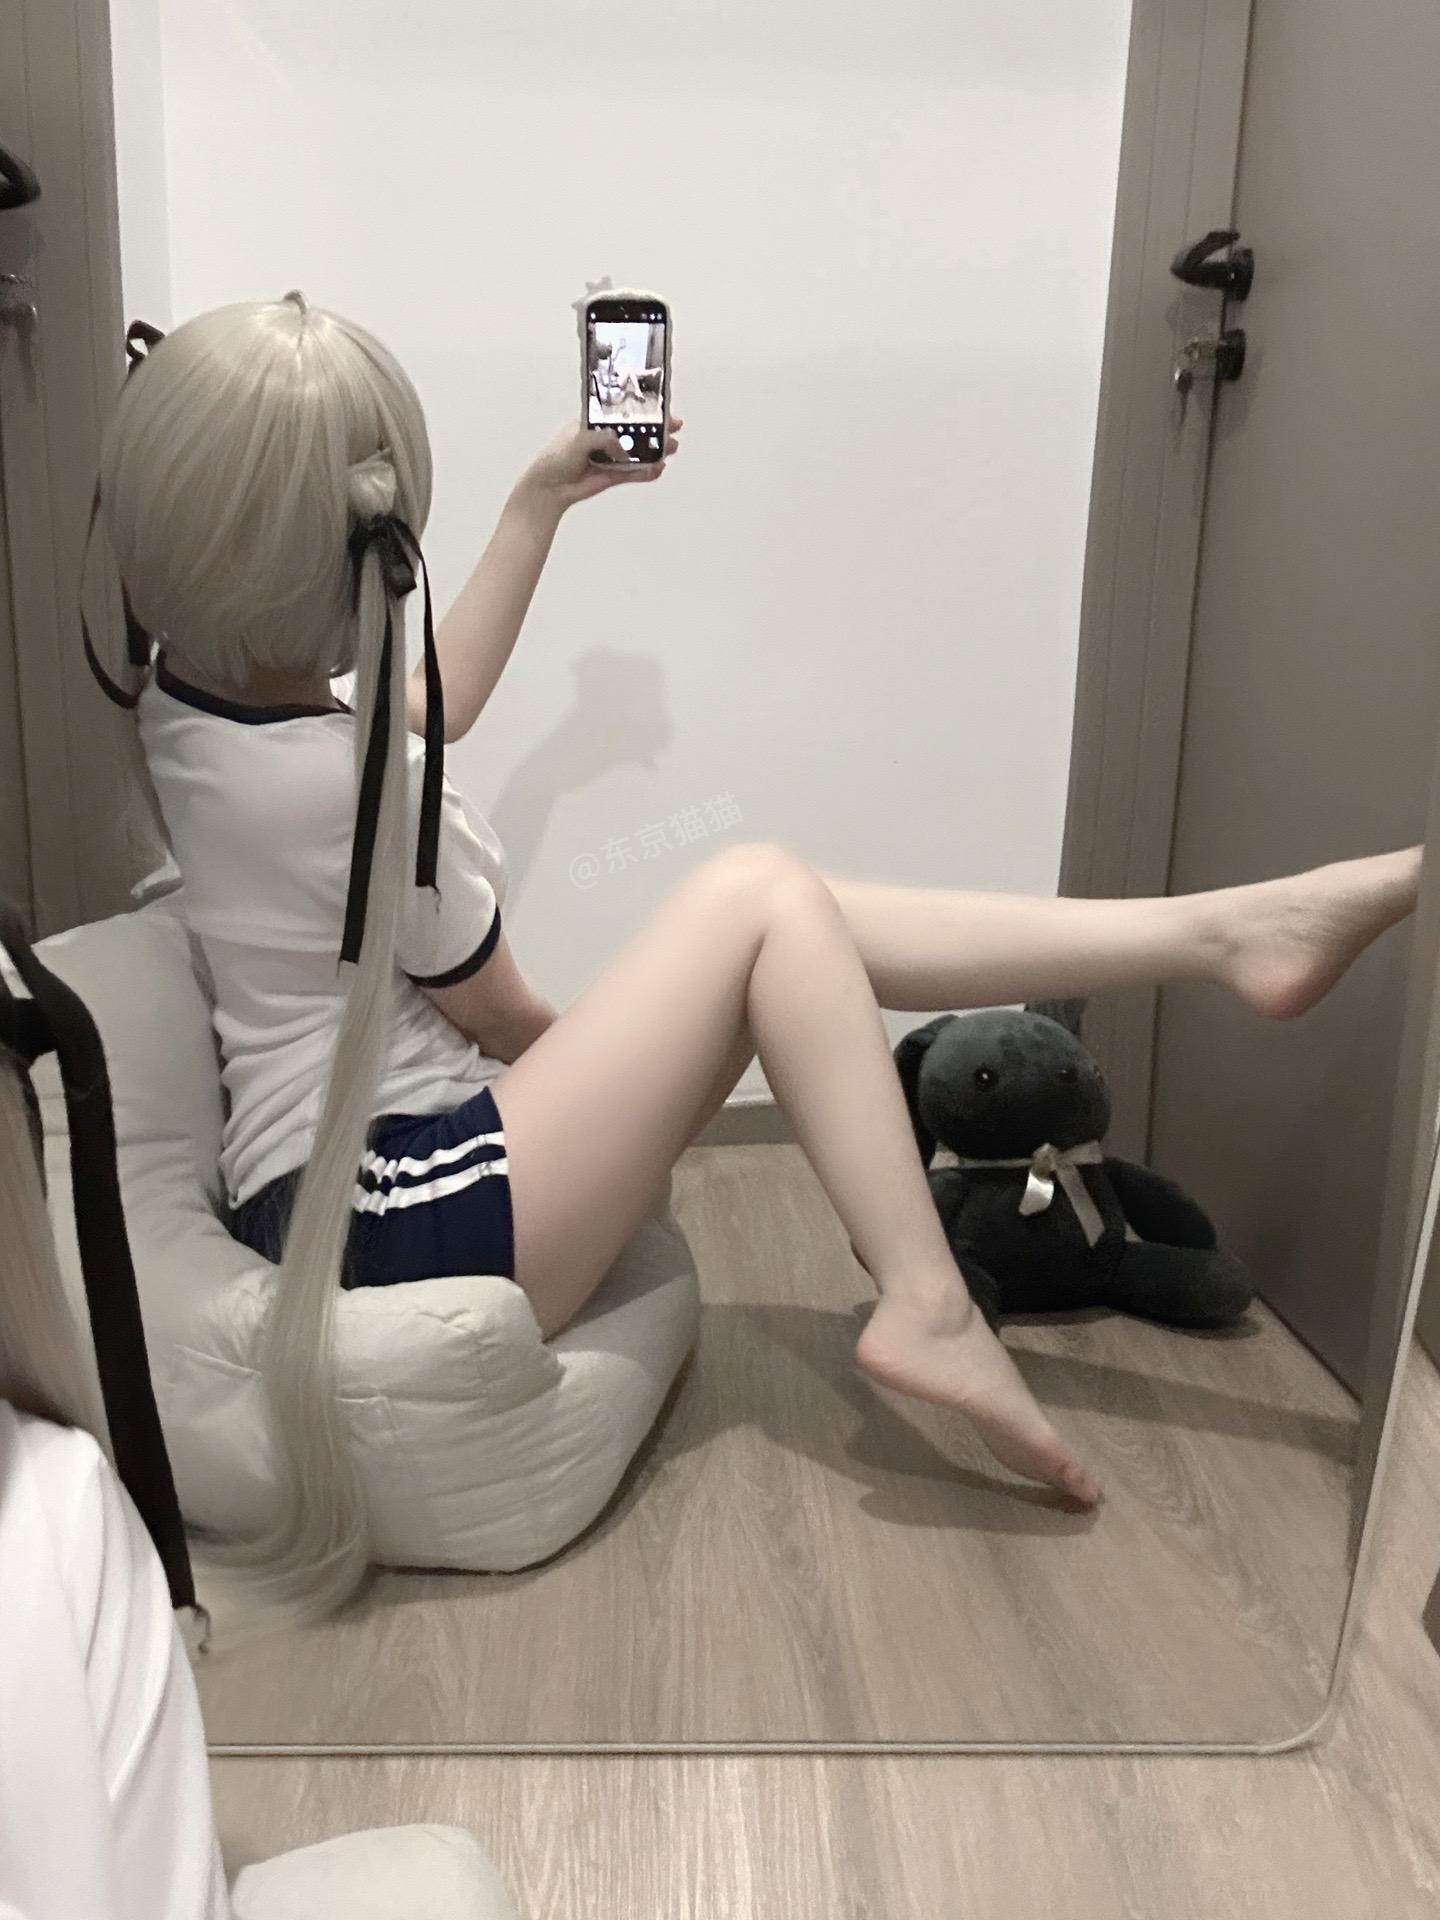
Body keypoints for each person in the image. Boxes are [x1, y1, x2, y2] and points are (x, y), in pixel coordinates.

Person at [87, 292, 1422, 1621]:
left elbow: (428, 702)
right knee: (765, 903)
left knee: (790, 920)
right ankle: (929, 1293)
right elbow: (502, 1013)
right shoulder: (351, 795)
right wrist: (662, 1066)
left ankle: (1227, 932)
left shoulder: (189, 699)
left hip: (337, 1198)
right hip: (394, 1214)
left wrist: (541, 500)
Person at [0, 921, 516, 1919]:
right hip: (364, 1167)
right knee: (757, 909)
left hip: (355, 1144)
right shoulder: (52, 1516)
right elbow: (492, 997)